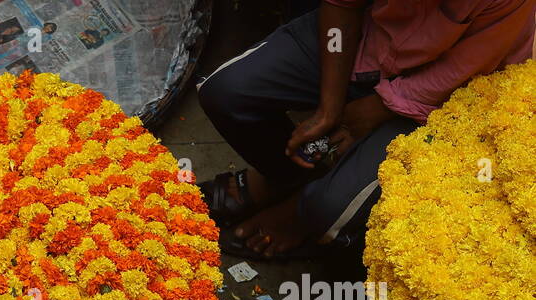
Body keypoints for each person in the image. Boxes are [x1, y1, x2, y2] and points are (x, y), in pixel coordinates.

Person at [197, 0, 536, 259]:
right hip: (359, 39)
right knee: (228, 93)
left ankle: (299, 215)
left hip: (447, 90)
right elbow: (341, 6)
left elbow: (458, 71)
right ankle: (285, 177)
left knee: (328, 209)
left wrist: (376, 109)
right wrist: (330, 106)